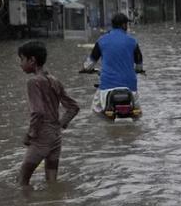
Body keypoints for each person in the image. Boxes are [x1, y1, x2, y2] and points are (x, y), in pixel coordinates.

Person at [18, 41, 80, 187]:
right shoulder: (54, 80)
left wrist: (30, 134)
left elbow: (38, 112)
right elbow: (73, 107)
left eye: (22, 59)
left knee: (22, 180)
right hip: (56, 137)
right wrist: (60, 124)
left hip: (42, 136)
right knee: (52, 181)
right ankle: (53, 205)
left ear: (32, 60)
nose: (20, 64)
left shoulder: (33, 82)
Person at [83, 12, 144, 113]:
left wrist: (86, 68)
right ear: (124, 25)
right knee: (137, 110)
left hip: (107, 87)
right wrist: (138, 70)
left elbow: (90, 63)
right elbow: (139, 64)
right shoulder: (133, 41)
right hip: (130, 87)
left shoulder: (101, 40)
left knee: (95, 109)